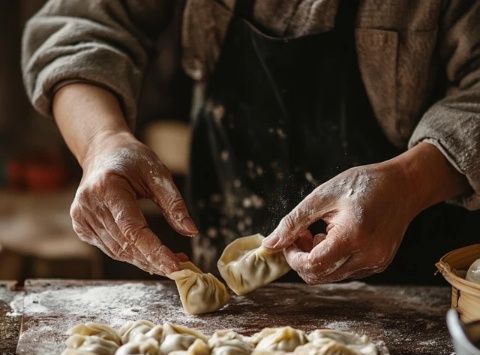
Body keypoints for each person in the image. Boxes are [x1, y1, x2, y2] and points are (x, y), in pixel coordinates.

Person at [22, 0, 480, 285]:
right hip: (227, 293)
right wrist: (102, 142)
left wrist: (409, 181)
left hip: (422, 286)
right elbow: (77, 23)